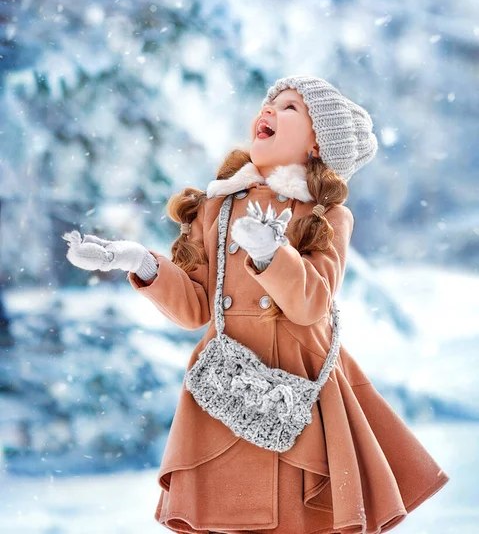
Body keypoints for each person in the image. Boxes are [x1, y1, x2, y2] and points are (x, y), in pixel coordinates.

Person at [63, 75, 450, 534]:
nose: (268, 110)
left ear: (317, 146)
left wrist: (271, 253)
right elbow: (194, 307)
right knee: (233, 515)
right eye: (268, 103)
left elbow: (311, 303)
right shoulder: (217, 208)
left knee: (299, 516)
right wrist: (138, 261)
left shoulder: (326, 216)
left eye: (289, 108)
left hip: (299, 385)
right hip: (229, 383)